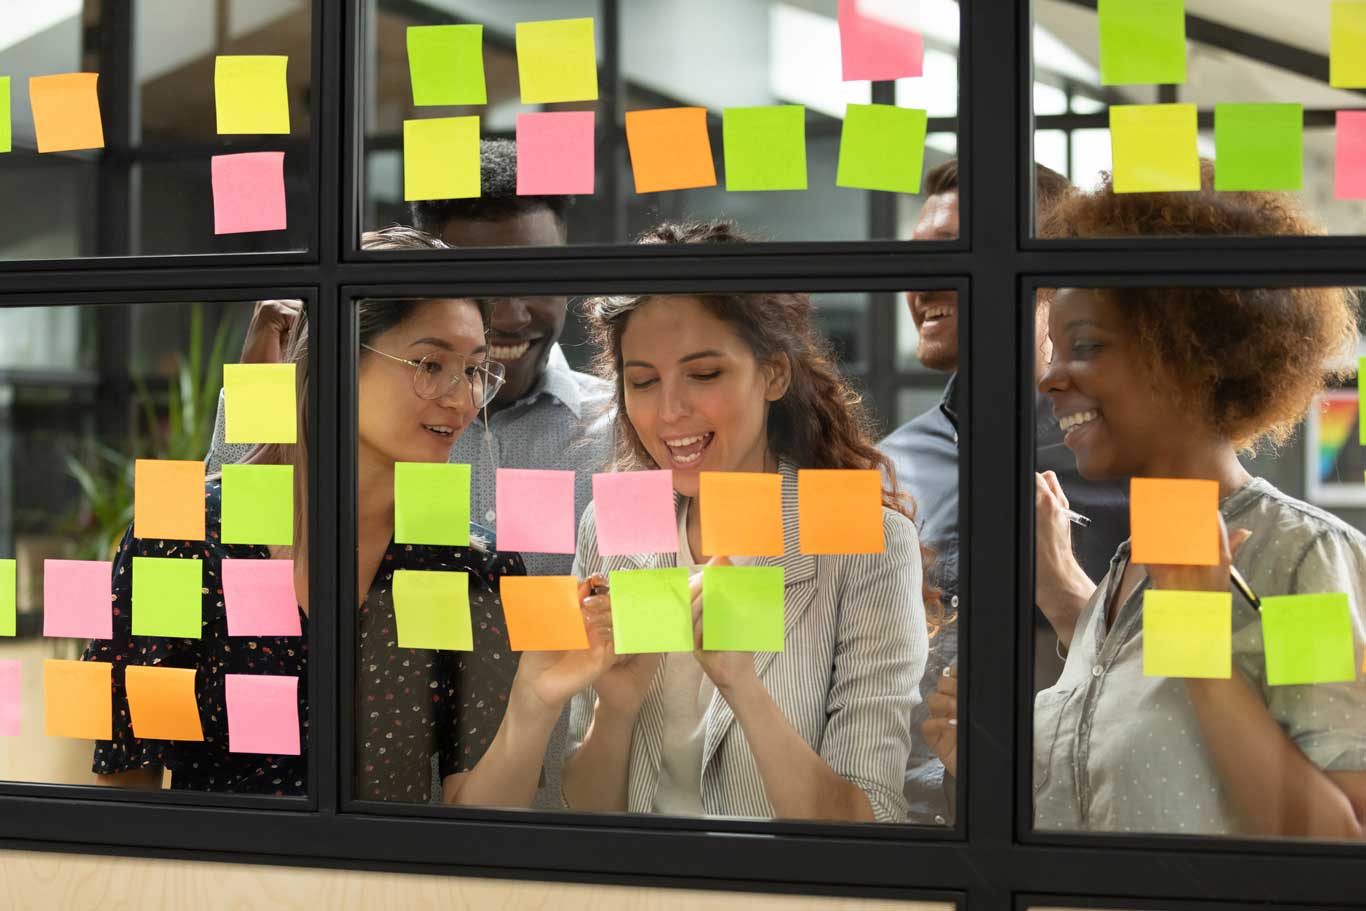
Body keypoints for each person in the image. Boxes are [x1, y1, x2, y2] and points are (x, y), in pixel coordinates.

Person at [88, 227, 612, 803]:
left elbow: (476, 816)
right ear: (337, 355)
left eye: (473, 371)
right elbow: (127, 790)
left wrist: (534, 703)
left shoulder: (469, 566)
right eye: (430, 364)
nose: (461, 400)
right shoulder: (180, 538)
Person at [940, 166, 1366, 837]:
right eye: (1054, 349)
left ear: (1186, 352)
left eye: (1085, 346)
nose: (1050, 376)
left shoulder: (1298, 561)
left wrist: (1199, 644)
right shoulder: (1123, 572)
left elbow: (1341, 839)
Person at [209, 140, 613, 806]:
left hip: (519, 812)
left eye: (537, 273)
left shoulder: (621, 433)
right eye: (483, 283)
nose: (511, 312)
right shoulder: (275, 401)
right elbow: (234, 560)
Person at [560, 221, 932, 823]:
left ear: (775, 374)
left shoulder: (866, 541)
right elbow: (584, 809)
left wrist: (743, 686)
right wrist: (616, 710)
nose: (671, 410)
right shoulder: (611, 527)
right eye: (643, 382)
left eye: (705, 374)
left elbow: (872, 821)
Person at [881, 159, 1130, 825]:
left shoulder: (1130, 459)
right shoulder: (885, 465)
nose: (919, 282)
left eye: (953, 252)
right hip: (908, 834)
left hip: (1070, 835)